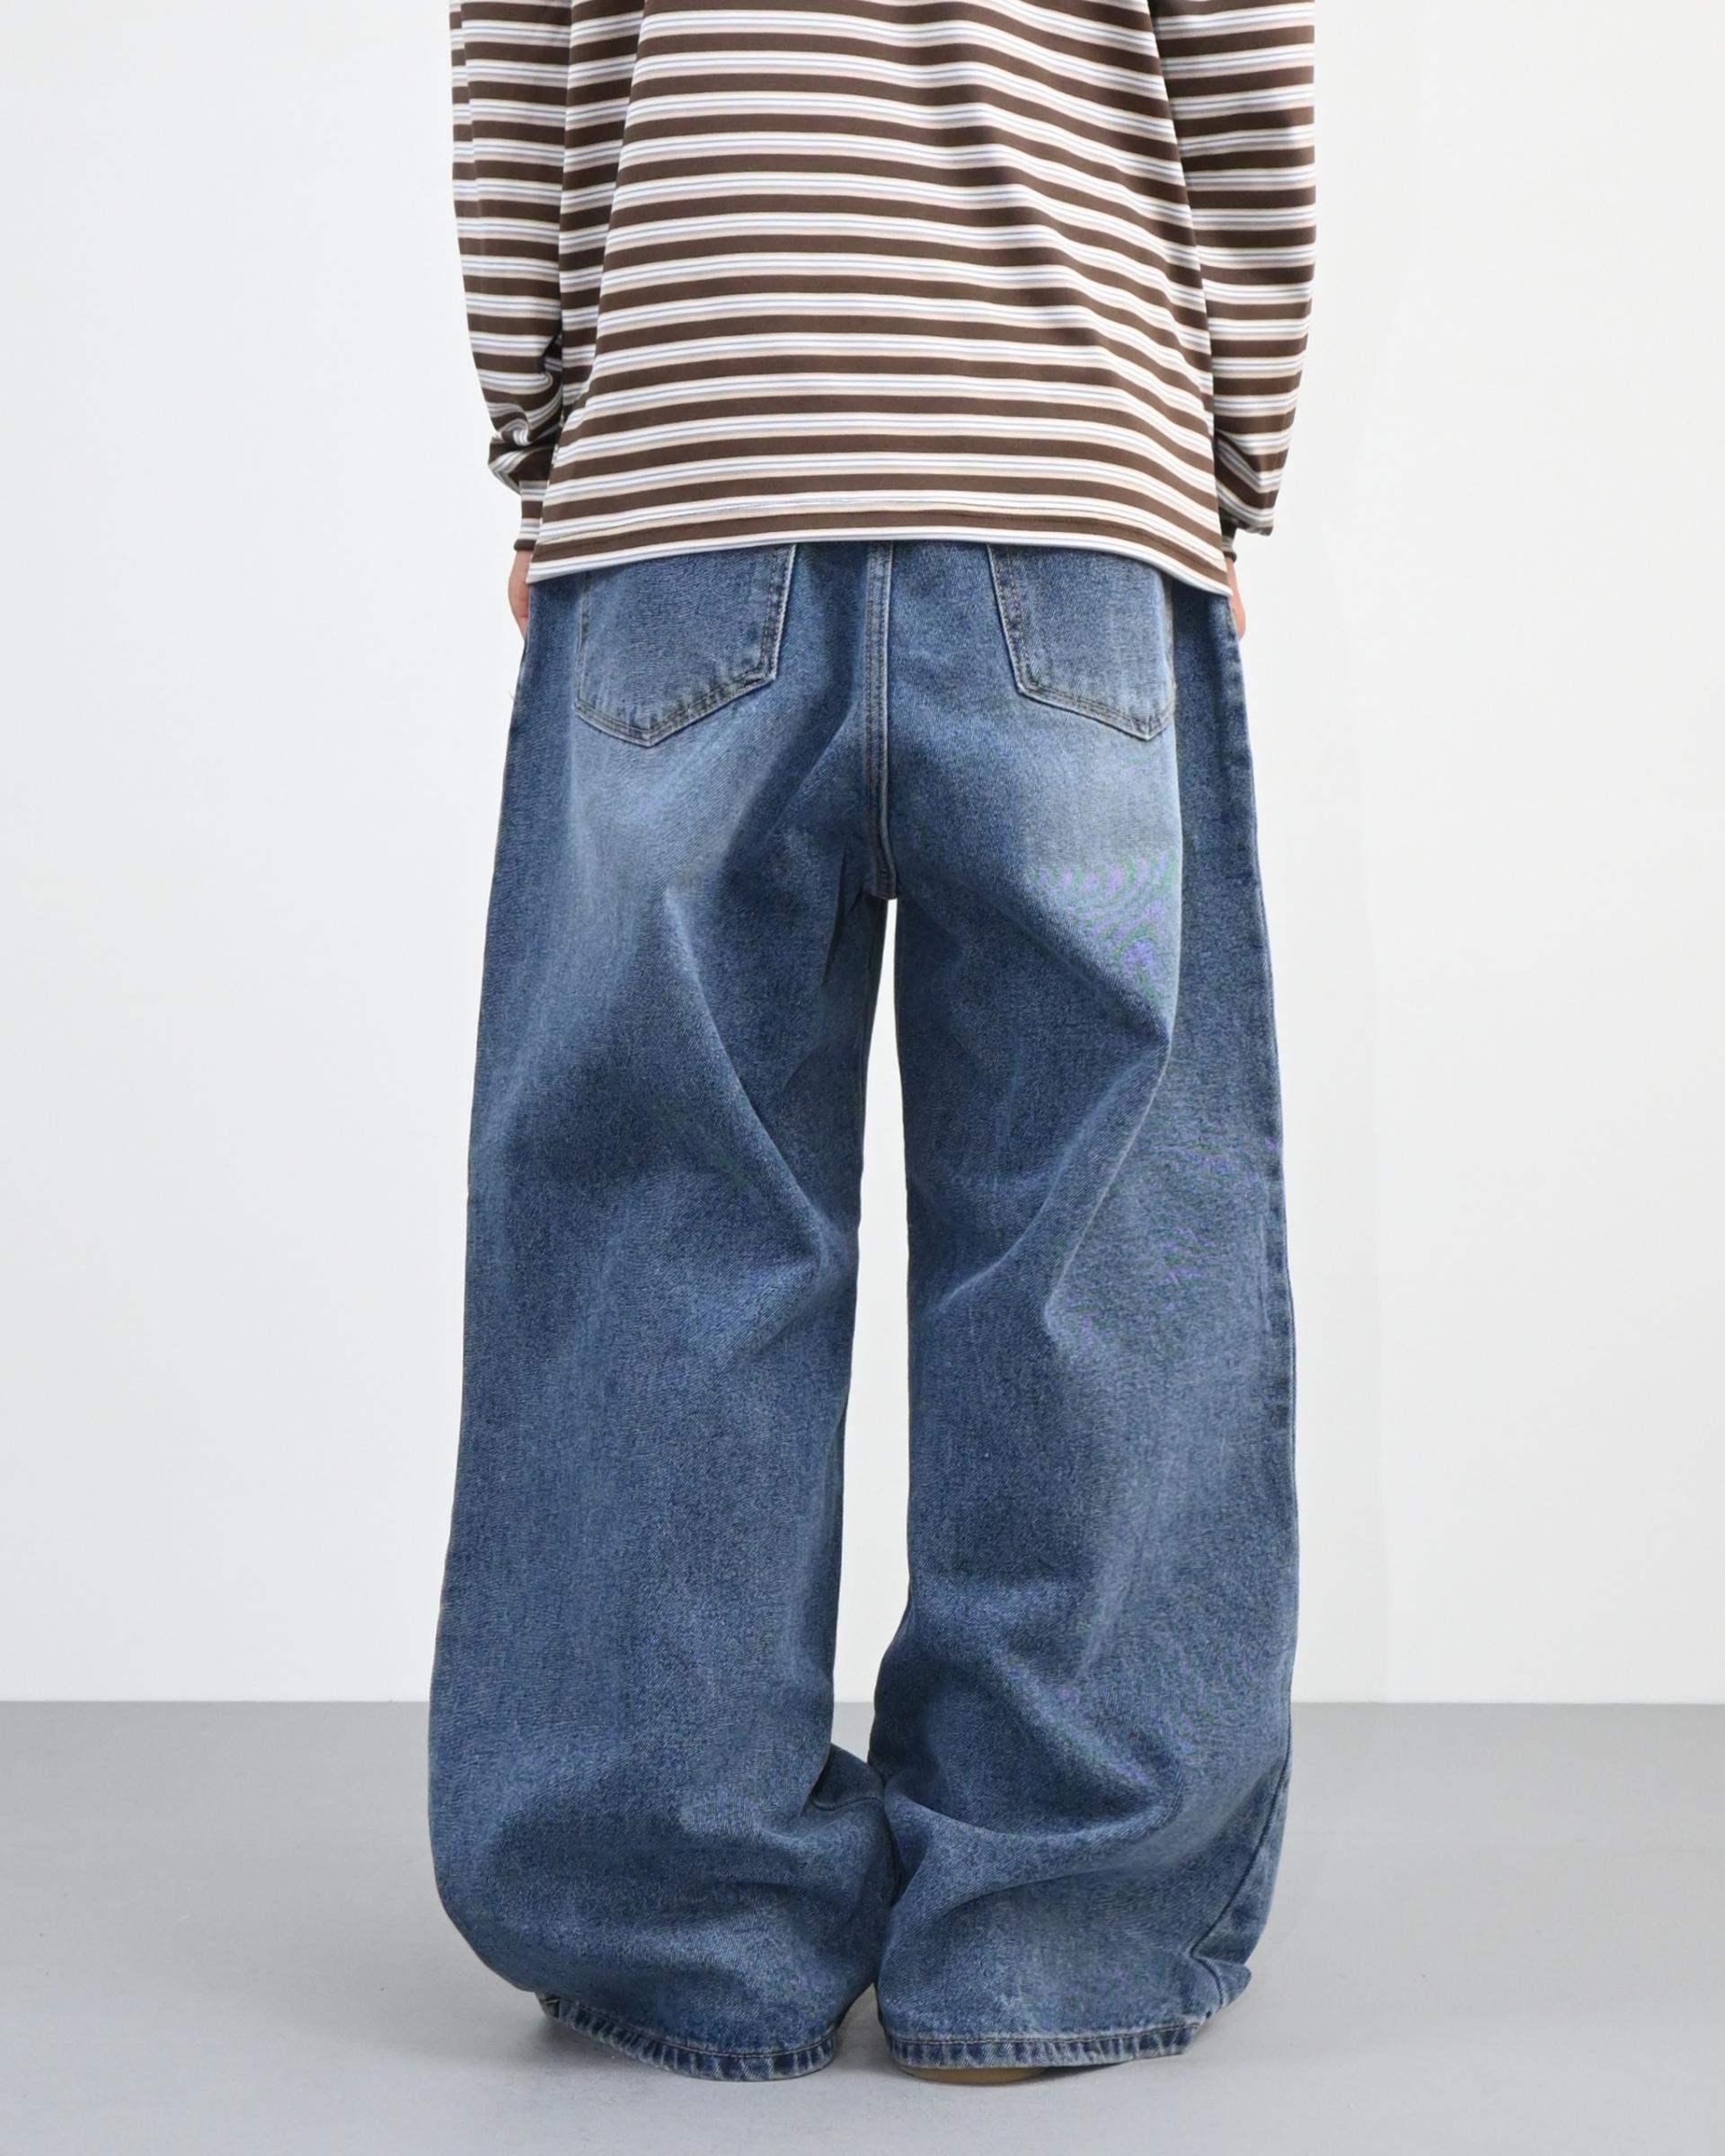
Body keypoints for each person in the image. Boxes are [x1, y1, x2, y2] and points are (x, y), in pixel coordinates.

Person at [429, 0, 1314, 2088]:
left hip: (687, 474)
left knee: (663, 1209)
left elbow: (519, 66)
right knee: (1095, 1238)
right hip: (1069, 483)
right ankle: (1055, 1921)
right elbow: (1245, 68)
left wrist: (550, 440)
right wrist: (1222, 455)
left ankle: (672, 1915)